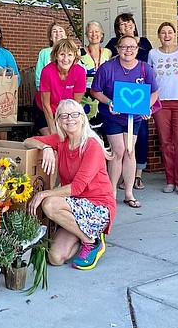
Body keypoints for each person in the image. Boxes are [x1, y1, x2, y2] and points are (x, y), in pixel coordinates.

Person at [23, 99, 116, 270]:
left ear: (82, 118)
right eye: (64, 115)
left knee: (49, 204)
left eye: (74, 114)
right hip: (73, 206)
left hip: (97, 206)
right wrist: (46, 148)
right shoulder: (60, 140)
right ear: (58, 120)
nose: (70, 119)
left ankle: (92, 241)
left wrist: (44, 193)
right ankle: (84, 235)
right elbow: (29, 141)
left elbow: (77, 187)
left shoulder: (91, 145)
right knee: (55, 258)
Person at [91, 35, 158, 208]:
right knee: (118, 151)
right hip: (112, 115)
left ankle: (129, 193)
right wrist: (109, 102)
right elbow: (95, 91)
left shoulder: (145, 69)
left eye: (132, 47)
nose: (128, 50)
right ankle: (111, 192)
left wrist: (147, 107)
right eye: (124, 47)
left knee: (130, 151)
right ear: (118, 48)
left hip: (134, 117)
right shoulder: (107, 68)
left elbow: (154, 92)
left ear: (137, 49)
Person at [106, 12, 153, 191]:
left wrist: (148, 104)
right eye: (122, 24)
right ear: (118, 29)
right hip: (120, 97)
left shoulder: (145, 43)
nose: (126, 26)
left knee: (140, 137)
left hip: (140, 97)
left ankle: (136, 176)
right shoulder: (112, 44)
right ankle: (116, 180)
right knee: (120, 146)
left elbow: (149, 69)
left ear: (134, 24)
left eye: (129, 23)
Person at [148, 22, 178, 195]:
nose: (167, 35)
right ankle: (170, 180)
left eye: (170, 32)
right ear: (159, 35)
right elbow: (149, 78)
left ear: (175, 34)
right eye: (163, 32)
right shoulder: (153, 54)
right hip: (161, 102)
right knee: (166, 143)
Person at [33, 39, 86, 136]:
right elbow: (45, 104)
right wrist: (53, 128)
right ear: (56, 56)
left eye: (70, 55)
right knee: (52, 137)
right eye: (62, 54)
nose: (66, 59)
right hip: (45, 109)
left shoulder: (80, 72)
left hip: (66, 111)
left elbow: (74, 104)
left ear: (75, 56)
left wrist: (66, 124)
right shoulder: (47, 71)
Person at [79, 20, 111, 127]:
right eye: (90, 32)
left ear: (101, 34)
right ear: (86, 35)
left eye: (97, 31)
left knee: (105, 130)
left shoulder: (108, 52)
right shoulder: (79, 52)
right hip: (85, 96)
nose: (94, 34)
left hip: (103, 95)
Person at [35, 21, 67, 89]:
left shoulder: (72, 52)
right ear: (50, 37)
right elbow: (39, 75)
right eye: (54, 31)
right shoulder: (44, 53)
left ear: (66, 36)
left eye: (60, 31)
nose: (58, 34)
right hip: (48, 93)